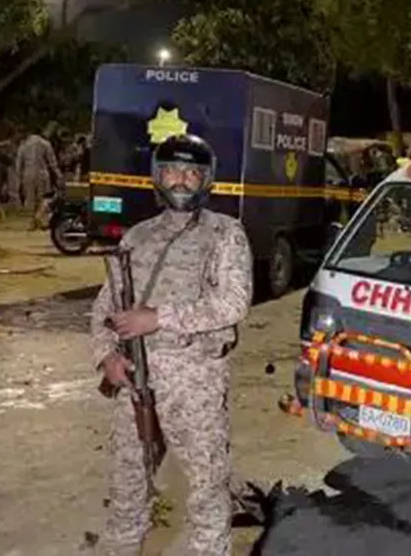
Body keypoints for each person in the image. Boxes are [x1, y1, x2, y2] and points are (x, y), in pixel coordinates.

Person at [89, 134, 253, 556]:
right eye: (172, 171)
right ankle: (120, 546)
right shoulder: (137, 237)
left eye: (191, 173)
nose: (181, 180)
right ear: (157, 177)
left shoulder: (225, 234)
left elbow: (233, 303)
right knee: (127, 479)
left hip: (194, 378)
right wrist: (106, 355)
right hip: (135, 375)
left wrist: (159, 317)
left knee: (206, 483)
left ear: (205, 179)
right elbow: (105, 304)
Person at [14, 128, 62, 230]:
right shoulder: (45, 144)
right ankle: (39, 218)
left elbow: (18, 164)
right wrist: (58, 175)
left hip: (28, 174)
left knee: (30, 198)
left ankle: (32, 222)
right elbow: (52, 162)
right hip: (42, 174)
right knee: (43, 198)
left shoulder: (24, 145)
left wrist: (19, 180)